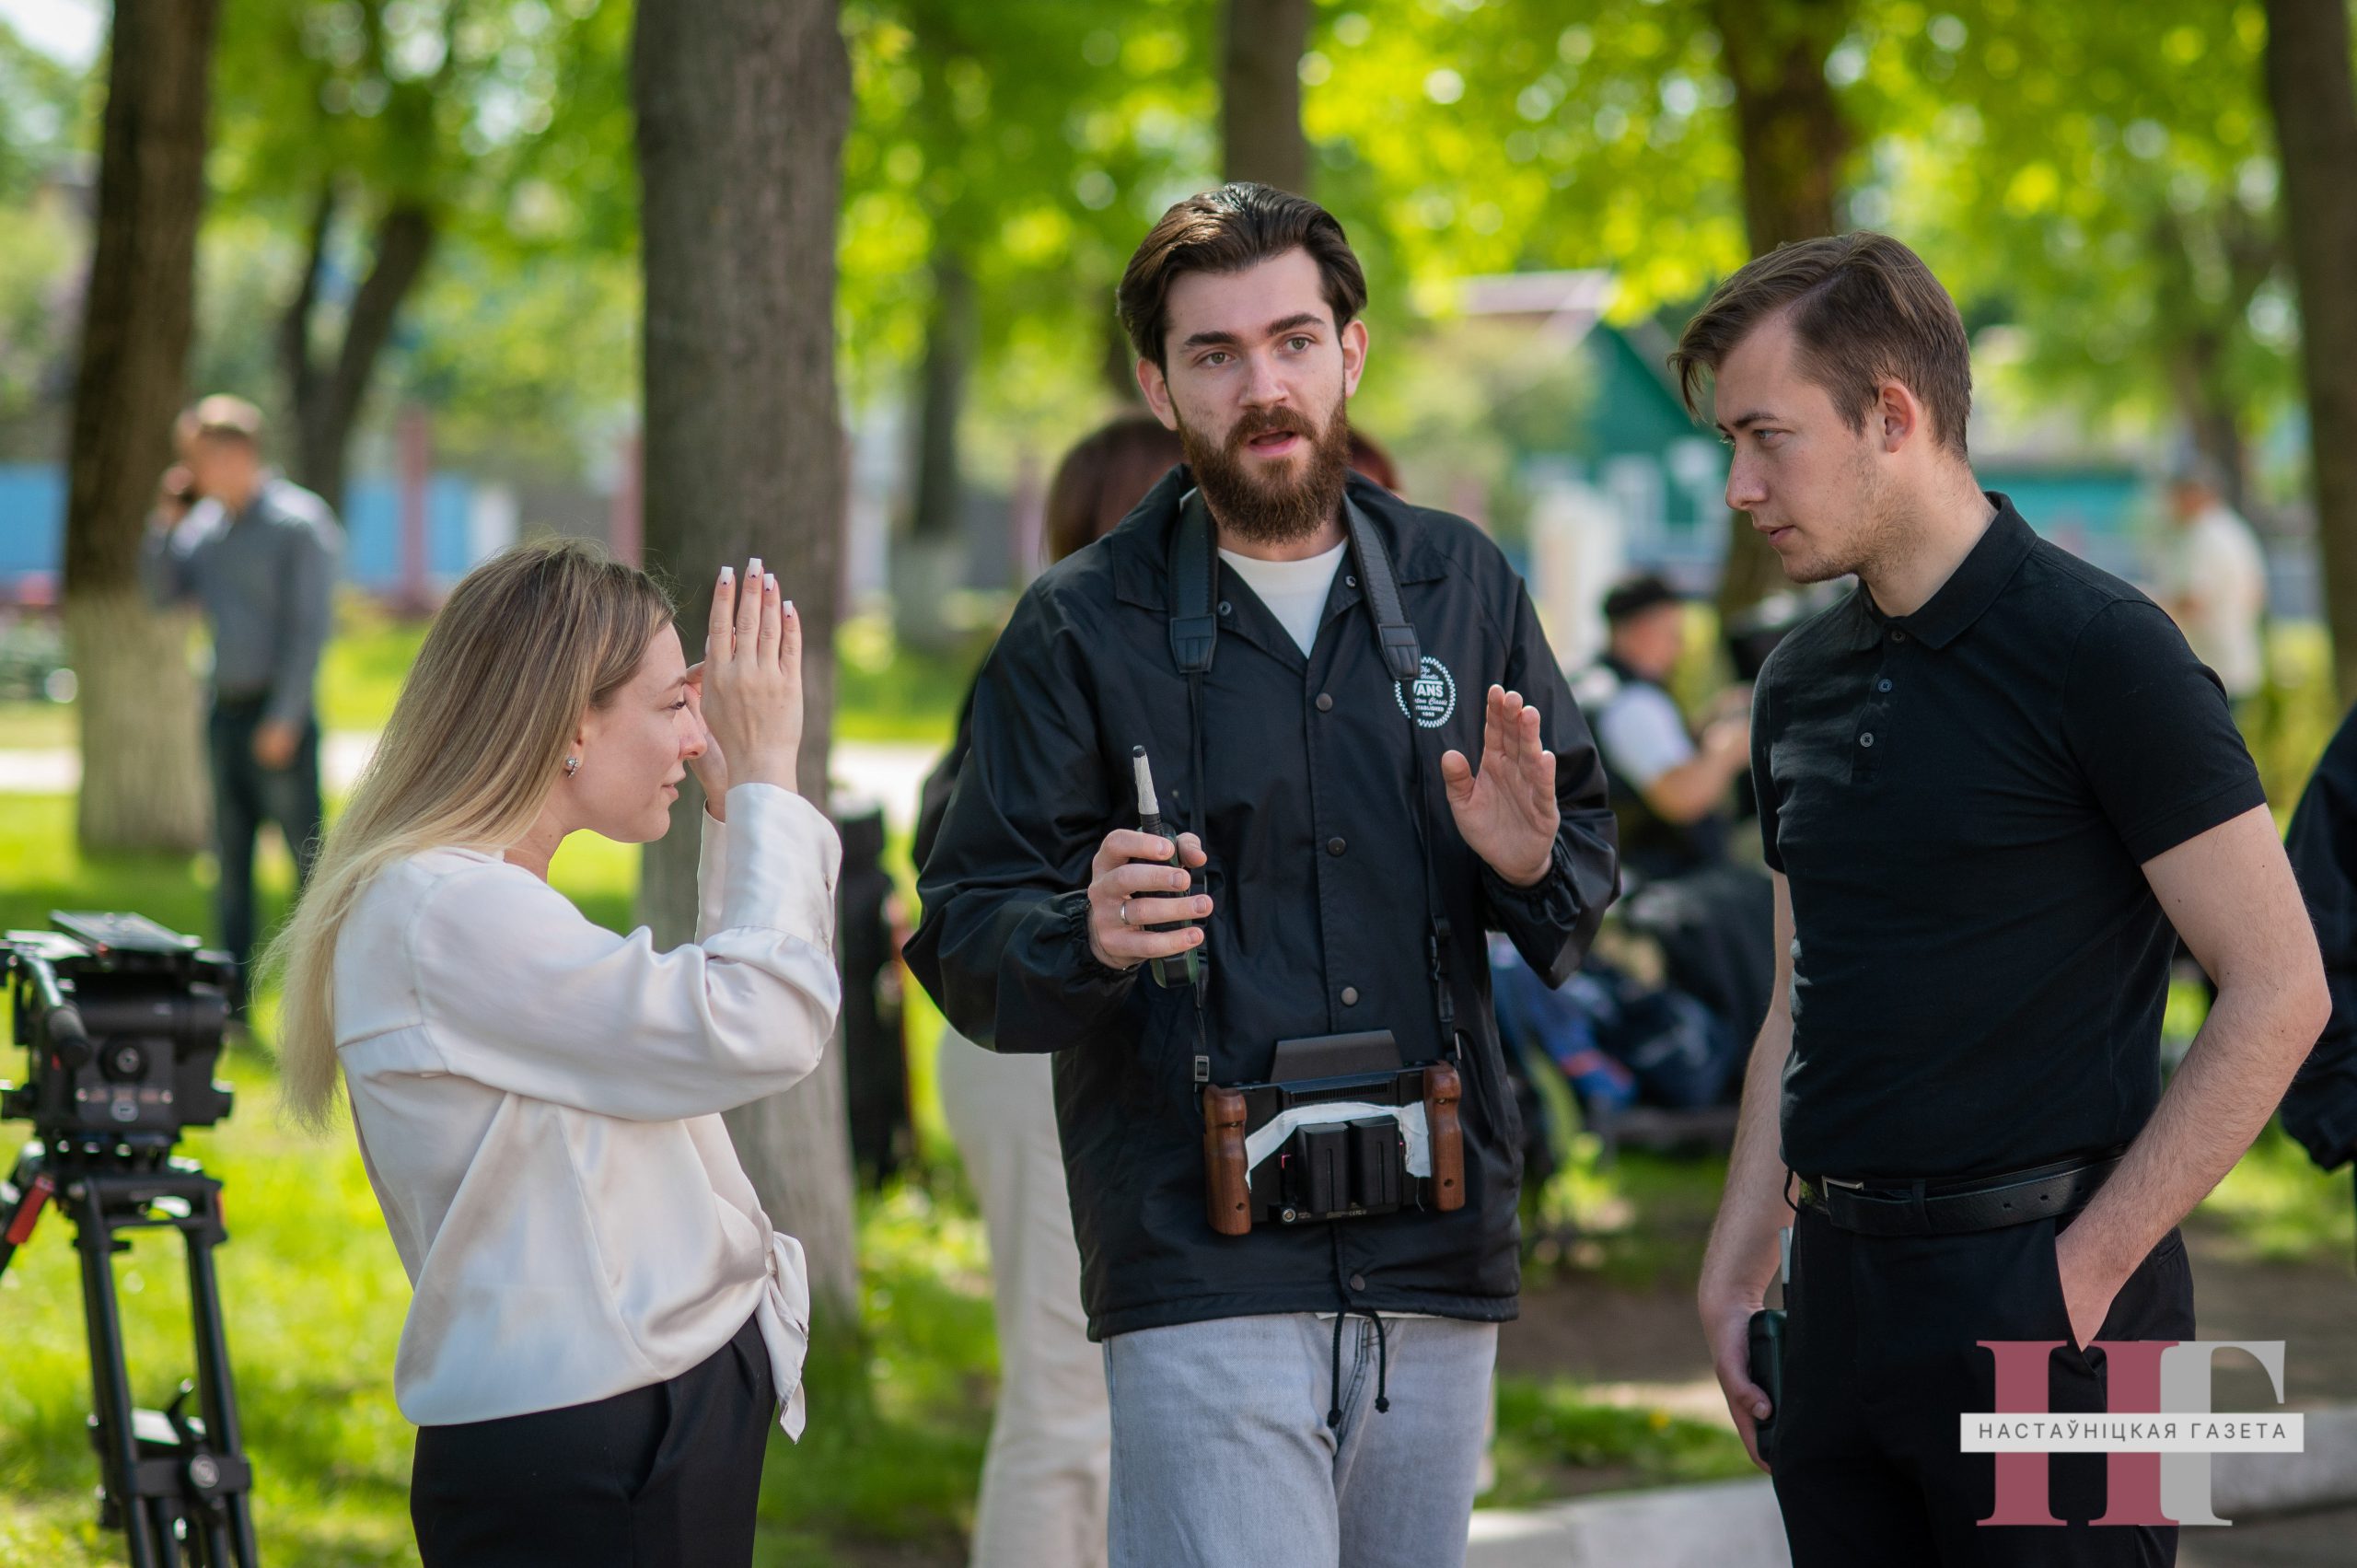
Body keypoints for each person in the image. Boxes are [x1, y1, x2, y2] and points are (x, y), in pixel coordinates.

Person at [905, 182, 1618, 1568]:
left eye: (1293, 341)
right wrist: (1083, 930)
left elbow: (1578, 871)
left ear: (1351, 351)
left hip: (1436, 1243)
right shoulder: (1075, 625)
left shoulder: (1464, 581)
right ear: (1157, 385)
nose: (1263, 386)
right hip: (1194, 1250)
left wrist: (1533, 861)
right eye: (1215, 354)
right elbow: (965, 931)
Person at [1678, 233, 2328, 1565]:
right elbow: (1801, 998)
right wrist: (1741, 1259)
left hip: (2068, 1306)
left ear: (1891, 416)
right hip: (1836, 1297)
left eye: (1766, 438)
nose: (1740, 487)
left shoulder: (2110, 651)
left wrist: (2077, 1280)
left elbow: (2281, 988)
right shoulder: (1794, 680)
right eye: (1730, 446)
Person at [262, 540, 841, 1565]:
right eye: (673, 704)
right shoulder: (444, 908)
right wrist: (765, 787)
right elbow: (758, 1023)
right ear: (573, 722)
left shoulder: (472, 898)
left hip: (622, 1421)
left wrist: (739, 814)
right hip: (595, 1444)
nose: (697, 734)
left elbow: (703, 1041)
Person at [923, 411, 1409, 1568]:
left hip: (1127, 1051)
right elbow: (964, 880)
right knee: (1062, 1398)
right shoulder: (1066, 653)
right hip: (1046, 1046)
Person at [142, 395, 342, 1015]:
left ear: (236, 453)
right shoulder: (204, 529)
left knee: (306, 865)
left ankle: (320, 1002)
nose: (189, 470)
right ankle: (230, 1009)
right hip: (222, 714)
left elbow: (310, 629)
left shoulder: (299, 524)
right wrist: (165, 522)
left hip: (277, 718)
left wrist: (285, 716)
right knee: (230, 866)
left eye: (197, 457)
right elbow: (161, 595)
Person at [1573, 572, 1750, 883]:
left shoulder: (1589, 683)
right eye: (1672, 634)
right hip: (1654, 882)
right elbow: (1680, 798)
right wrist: (1728, 749)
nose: (1678, 648)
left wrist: (1709, 721)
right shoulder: (1633, 703)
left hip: (1606, 871)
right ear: (1642, 629)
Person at [2155, 459, 2269, 714]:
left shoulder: (2204, 535)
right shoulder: (2233, 528)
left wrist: (2148, 605)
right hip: (2236, 657)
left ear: (2193, 494)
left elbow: (2194, 599)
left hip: (2212, 665)